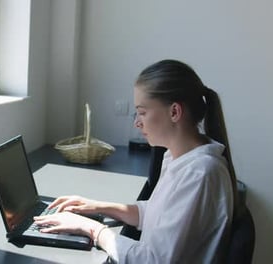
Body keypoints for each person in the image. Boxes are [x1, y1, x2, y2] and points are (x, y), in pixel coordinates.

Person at [34, 59, 238, 263]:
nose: (137, 122)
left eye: (142, 112)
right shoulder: (178, 157)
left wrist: (92, 229)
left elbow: (153, 260)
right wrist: (97, 206)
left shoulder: (199, 174)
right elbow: (154, 214)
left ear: (175, 112)